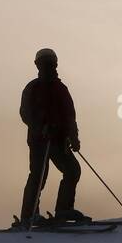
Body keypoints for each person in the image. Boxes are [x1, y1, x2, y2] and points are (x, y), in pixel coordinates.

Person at [17, 48, 88, 225]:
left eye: (51, 63)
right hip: (39, 141)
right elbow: (25, 113)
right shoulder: (33, 88)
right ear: (38, 65)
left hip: (58, 141)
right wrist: (41, 127)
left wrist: (74, 137)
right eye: (45, 64)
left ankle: (63, 209)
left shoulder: (61, 89)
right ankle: (29, 214)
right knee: (39, 175)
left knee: (72, 170)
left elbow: (70, 116)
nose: (50, 67)